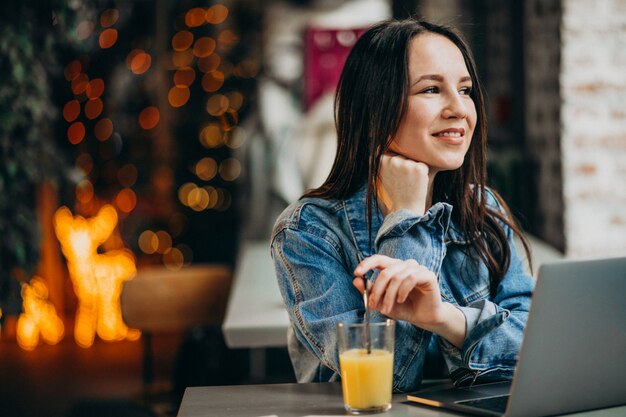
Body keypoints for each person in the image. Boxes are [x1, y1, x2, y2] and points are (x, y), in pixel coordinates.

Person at [270, 18, 534, 393]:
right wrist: (405, 218)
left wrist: (444, 318)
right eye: (430, 89)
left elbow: (534, 345)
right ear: (375, 106)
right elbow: (382, 382)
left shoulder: (482, 208)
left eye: (465, 89)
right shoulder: (307, 232)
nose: (459, 108)